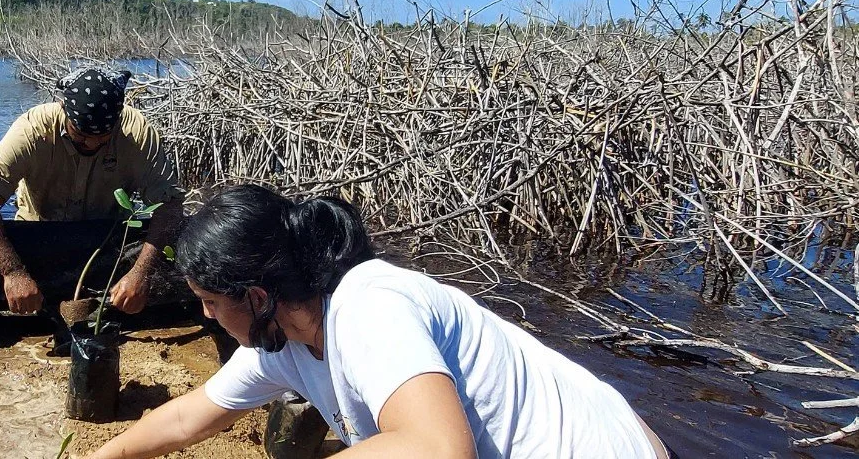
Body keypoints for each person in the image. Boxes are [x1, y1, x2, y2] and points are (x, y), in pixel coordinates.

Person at [83, 185, 671, 459]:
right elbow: (188, 417)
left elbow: (438, 449)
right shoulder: (282, 337)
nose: (205, 316)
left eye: (210, 302)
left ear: (256, 295)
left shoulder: (369, 304)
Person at [0, 66, 182, 315]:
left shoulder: (137, 133)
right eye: (80, 136)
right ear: (63, 109)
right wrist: (12, 271)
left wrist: (142, 273)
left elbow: (171, 204)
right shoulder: (33, 129)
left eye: (102, 139)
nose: (90, 144)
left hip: (106, 245)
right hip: (37, 240)